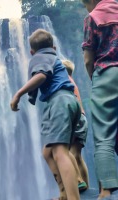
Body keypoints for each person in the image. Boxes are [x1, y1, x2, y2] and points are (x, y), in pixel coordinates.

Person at [10, 29, 81, 200]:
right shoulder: (54, 57)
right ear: (54, 47)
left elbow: (41, 76)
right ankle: (64, 192)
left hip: (58, 102)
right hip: (70, 102)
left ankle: (73, 197)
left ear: (31, 52)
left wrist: (18, 94)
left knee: (59, 152)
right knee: (48, 153)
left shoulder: (40, 57)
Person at [81, 0, 118, 199]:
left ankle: (106, 191)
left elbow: (88, 59)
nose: (87, 9)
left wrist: (95, 79)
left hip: (106, 74)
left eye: (86, 4)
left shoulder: (93, 17)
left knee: (104, 137)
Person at [62, 59, 89, 187]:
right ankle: (86, 186)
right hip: (81, 119)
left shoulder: (66, 81)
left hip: (76, 120)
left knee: (70, 155)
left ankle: (78, 183)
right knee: (77, 156)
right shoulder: (72, 82)